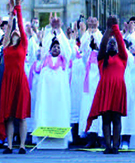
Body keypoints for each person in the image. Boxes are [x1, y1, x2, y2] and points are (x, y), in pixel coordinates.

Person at [86, 15, 128, 154]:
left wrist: (115, 29)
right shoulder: (101, 58)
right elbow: (103, 45)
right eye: (110, 43)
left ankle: (116, 146)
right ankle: (108, 146)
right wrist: (108, 31)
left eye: (113, 43)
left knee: (116, 118)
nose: (111, 44)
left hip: (117, 90)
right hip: (105, 90)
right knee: (106, 119)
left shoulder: (122, 57)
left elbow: (121, 44)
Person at [0, 0, 30, 154]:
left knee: (22, 115)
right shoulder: (6, 45)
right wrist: (11, 13)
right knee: (9, 116)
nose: (16, 32)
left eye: (18, 31)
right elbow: (9, 27)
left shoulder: (23, 45)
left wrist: (18, 9)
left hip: (20, 81)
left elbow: (21, 26)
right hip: (8, 81)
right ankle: (10, 145)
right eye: (14, 32)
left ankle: (23, 145)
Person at [35, 36, 72, 146]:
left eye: (58, 47)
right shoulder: (44, 60)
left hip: (59, 96)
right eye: (53, 47)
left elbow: (67, 50)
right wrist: (49, 33)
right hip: (46, 96)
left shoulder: (63, 60)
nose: (56, 49)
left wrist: (59, 32)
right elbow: (43, 48)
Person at [78, 18, 103, 147]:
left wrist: (96, 43)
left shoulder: (101, 36)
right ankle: (91, 136)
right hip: (88, 82)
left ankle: (101, 136)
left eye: (95, 22)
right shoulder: (86, 36)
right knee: (88, 107)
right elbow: (83, 49)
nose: (93, 24)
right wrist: (86, 33)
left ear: (98, 23)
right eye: (91, 22)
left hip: (98, 81)